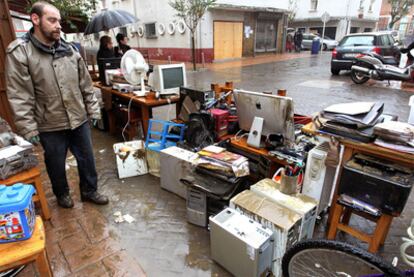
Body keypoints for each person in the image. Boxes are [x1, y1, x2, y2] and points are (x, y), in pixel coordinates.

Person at [5, 1, 109, 208]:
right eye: (52, 20)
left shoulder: (69, 50)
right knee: (55, 164)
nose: (58, 26)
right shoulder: (20, 52)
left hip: (78, 118)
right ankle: (62, 194)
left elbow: (85, 84)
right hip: (48, 123)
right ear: (35, 20)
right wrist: (28, 127)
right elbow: (19, 95)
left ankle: (90, 190)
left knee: (87, 159)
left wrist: (93, 109)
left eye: (59, 21)